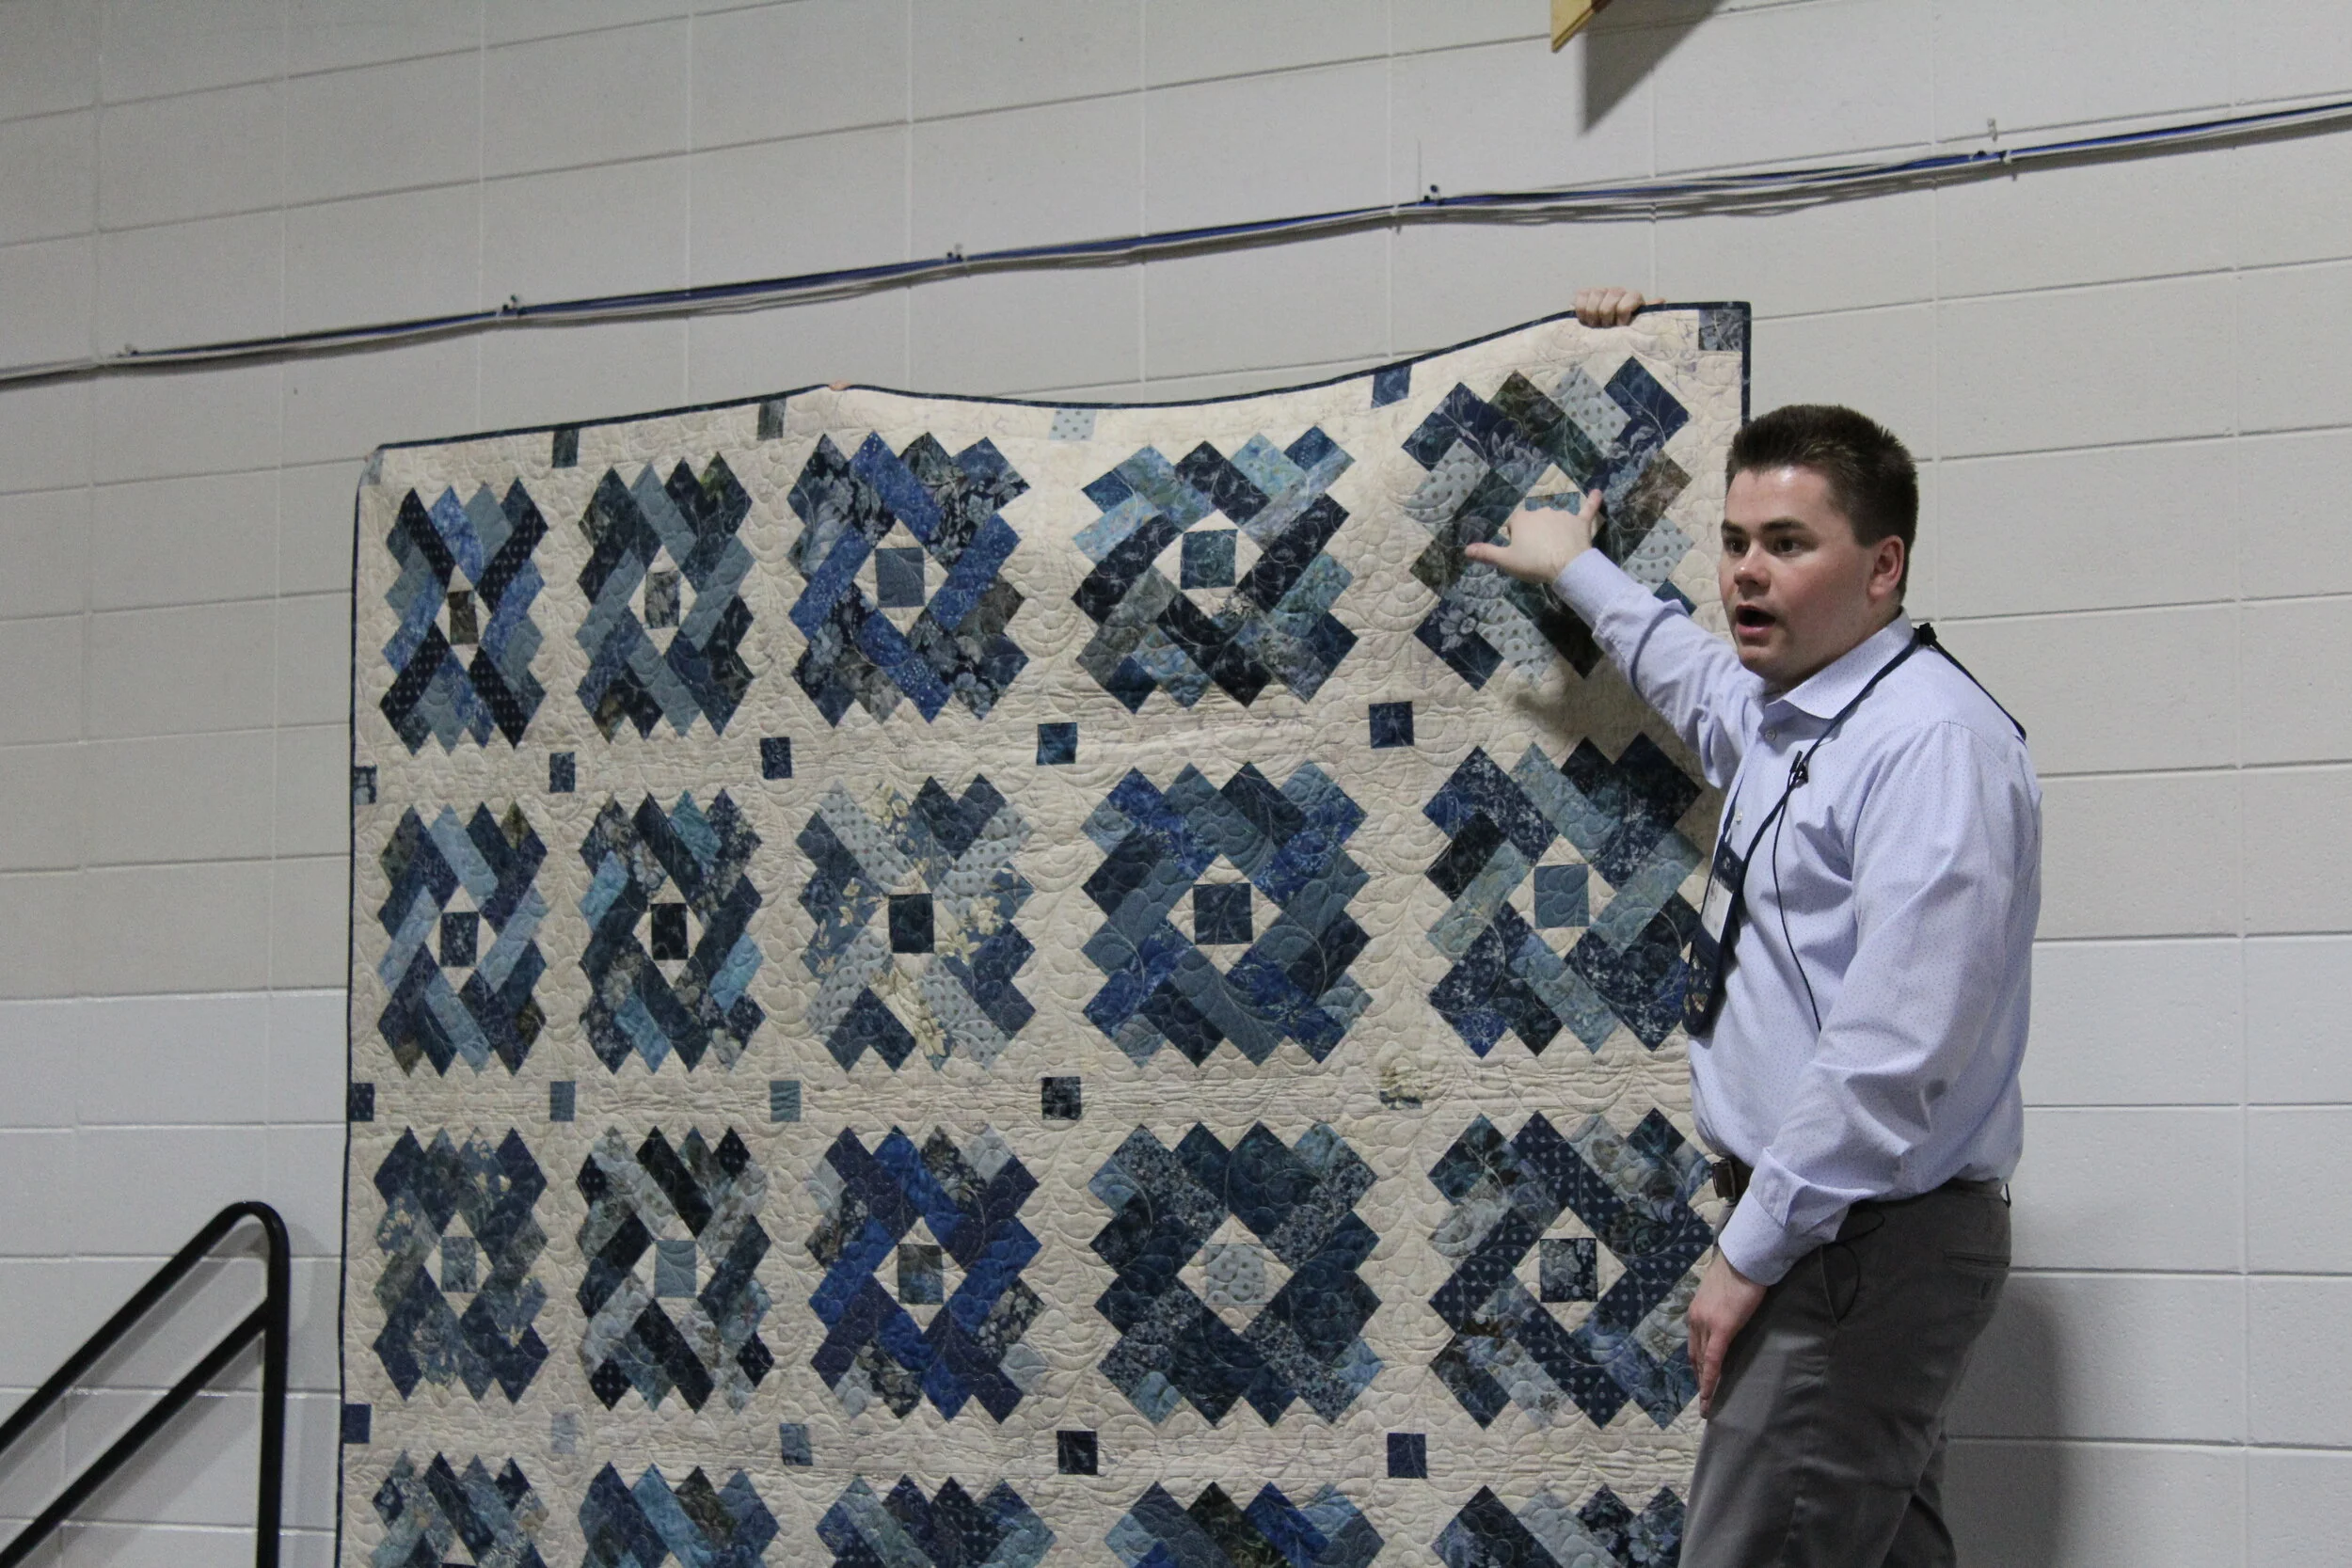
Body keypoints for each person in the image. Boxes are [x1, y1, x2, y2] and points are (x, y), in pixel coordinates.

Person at [1465, 287, 2040, 1568]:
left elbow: (1894, 1050)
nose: (1744, 572)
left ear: (1883, 567)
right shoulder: (1801, 710)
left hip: (1852, 1245)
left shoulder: (1930, 745)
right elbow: (1691, 678)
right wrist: (1579, 568)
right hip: (1836, 1235)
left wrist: (1751, 1249)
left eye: (1787, 542)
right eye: (1733, 541)